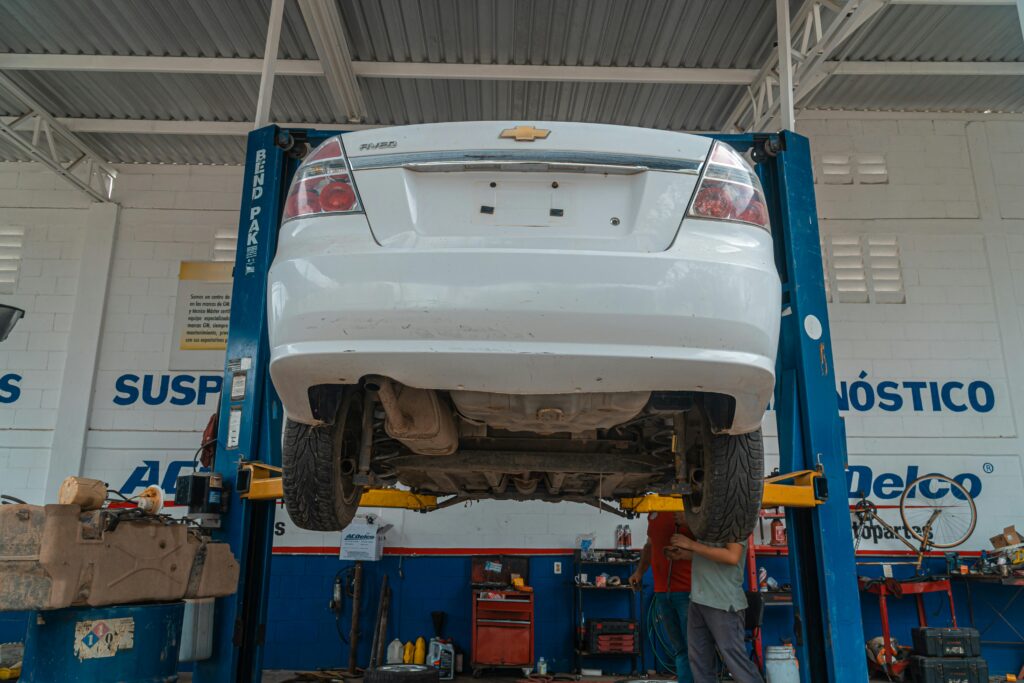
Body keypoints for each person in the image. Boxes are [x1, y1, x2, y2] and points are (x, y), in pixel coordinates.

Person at [669, 533, 764, 683]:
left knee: (736, 662)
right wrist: (687, 554)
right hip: (699, 600)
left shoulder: (735, 517)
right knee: (700, 663)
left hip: (723, 602)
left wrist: (692, 545)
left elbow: (732, 556)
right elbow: (711, 555)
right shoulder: (709, 521)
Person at [629, 512, 694, 683]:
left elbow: (709, 544)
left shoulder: (689, 509)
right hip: (663, 592)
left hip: (688, 591)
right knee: (679, 648)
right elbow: (650, 546)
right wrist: (639, 572)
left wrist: (690, 522)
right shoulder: (654, 511)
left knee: (694, 647)